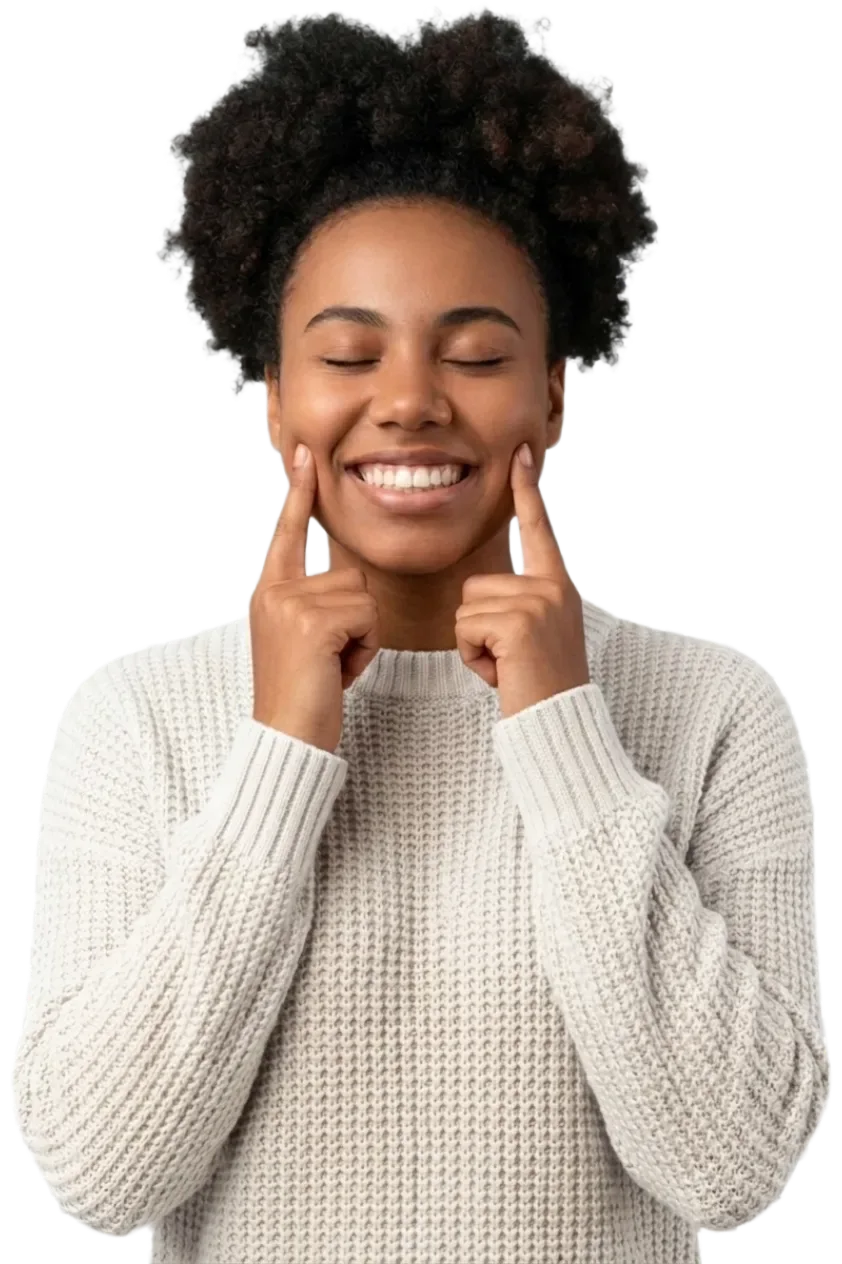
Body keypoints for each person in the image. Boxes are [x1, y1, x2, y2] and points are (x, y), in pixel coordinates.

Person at [11, 9, 830, 1263]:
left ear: (551, 394)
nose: (406, 401)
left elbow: (730, 1167)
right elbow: (98, 1174)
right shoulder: (135, 719)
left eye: (476, 354)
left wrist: (566, 736)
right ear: (275, 397)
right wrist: (281, 751)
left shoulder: (717, 707)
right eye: (348, 354)